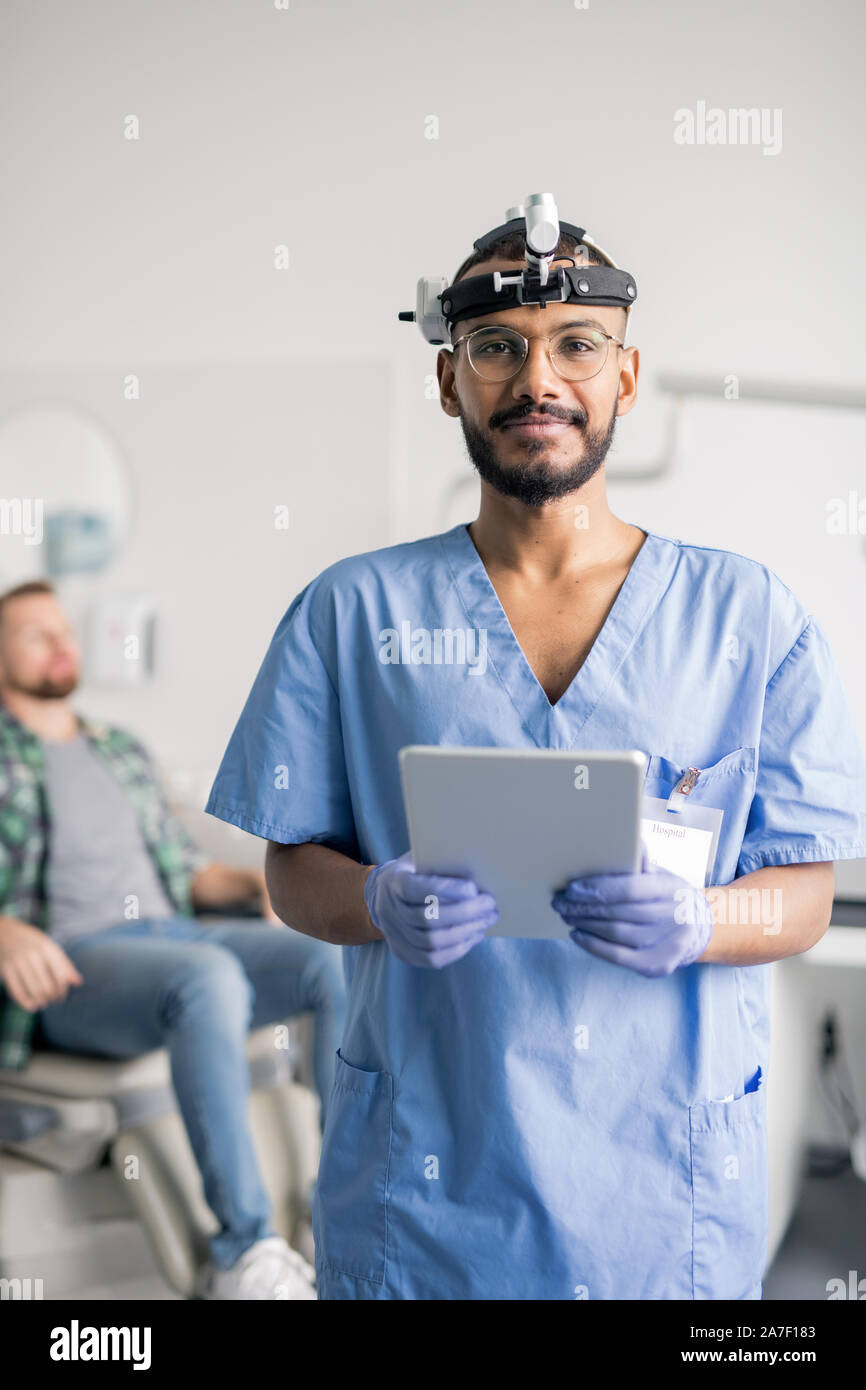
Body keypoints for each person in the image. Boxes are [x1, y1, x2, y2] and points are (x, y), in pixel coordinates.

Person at [204, 219, 866, 1300]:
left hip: (658, 1192)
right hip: (427, 1188)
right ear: (447, 380)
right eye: (497, 346)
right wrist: (373, 896)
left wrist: (703, 921)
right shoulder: (350, 612)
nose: (537, 379)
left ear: (627, 373)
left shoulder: (746, 617)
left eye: (576, 343)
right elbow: (290, 875)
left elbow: (799, 895)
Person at [0, 580, 347, 1300]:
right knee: (206, 980)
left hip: (174, 934)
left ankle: (336, 1208)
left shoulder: (119, 750)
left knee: (327, 957)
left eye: (65, 631)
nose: (64, 644)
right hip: (75, 962)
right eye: (37, 634)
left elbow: (186, 873)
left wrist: (257, 886)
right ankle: (244, 1250)